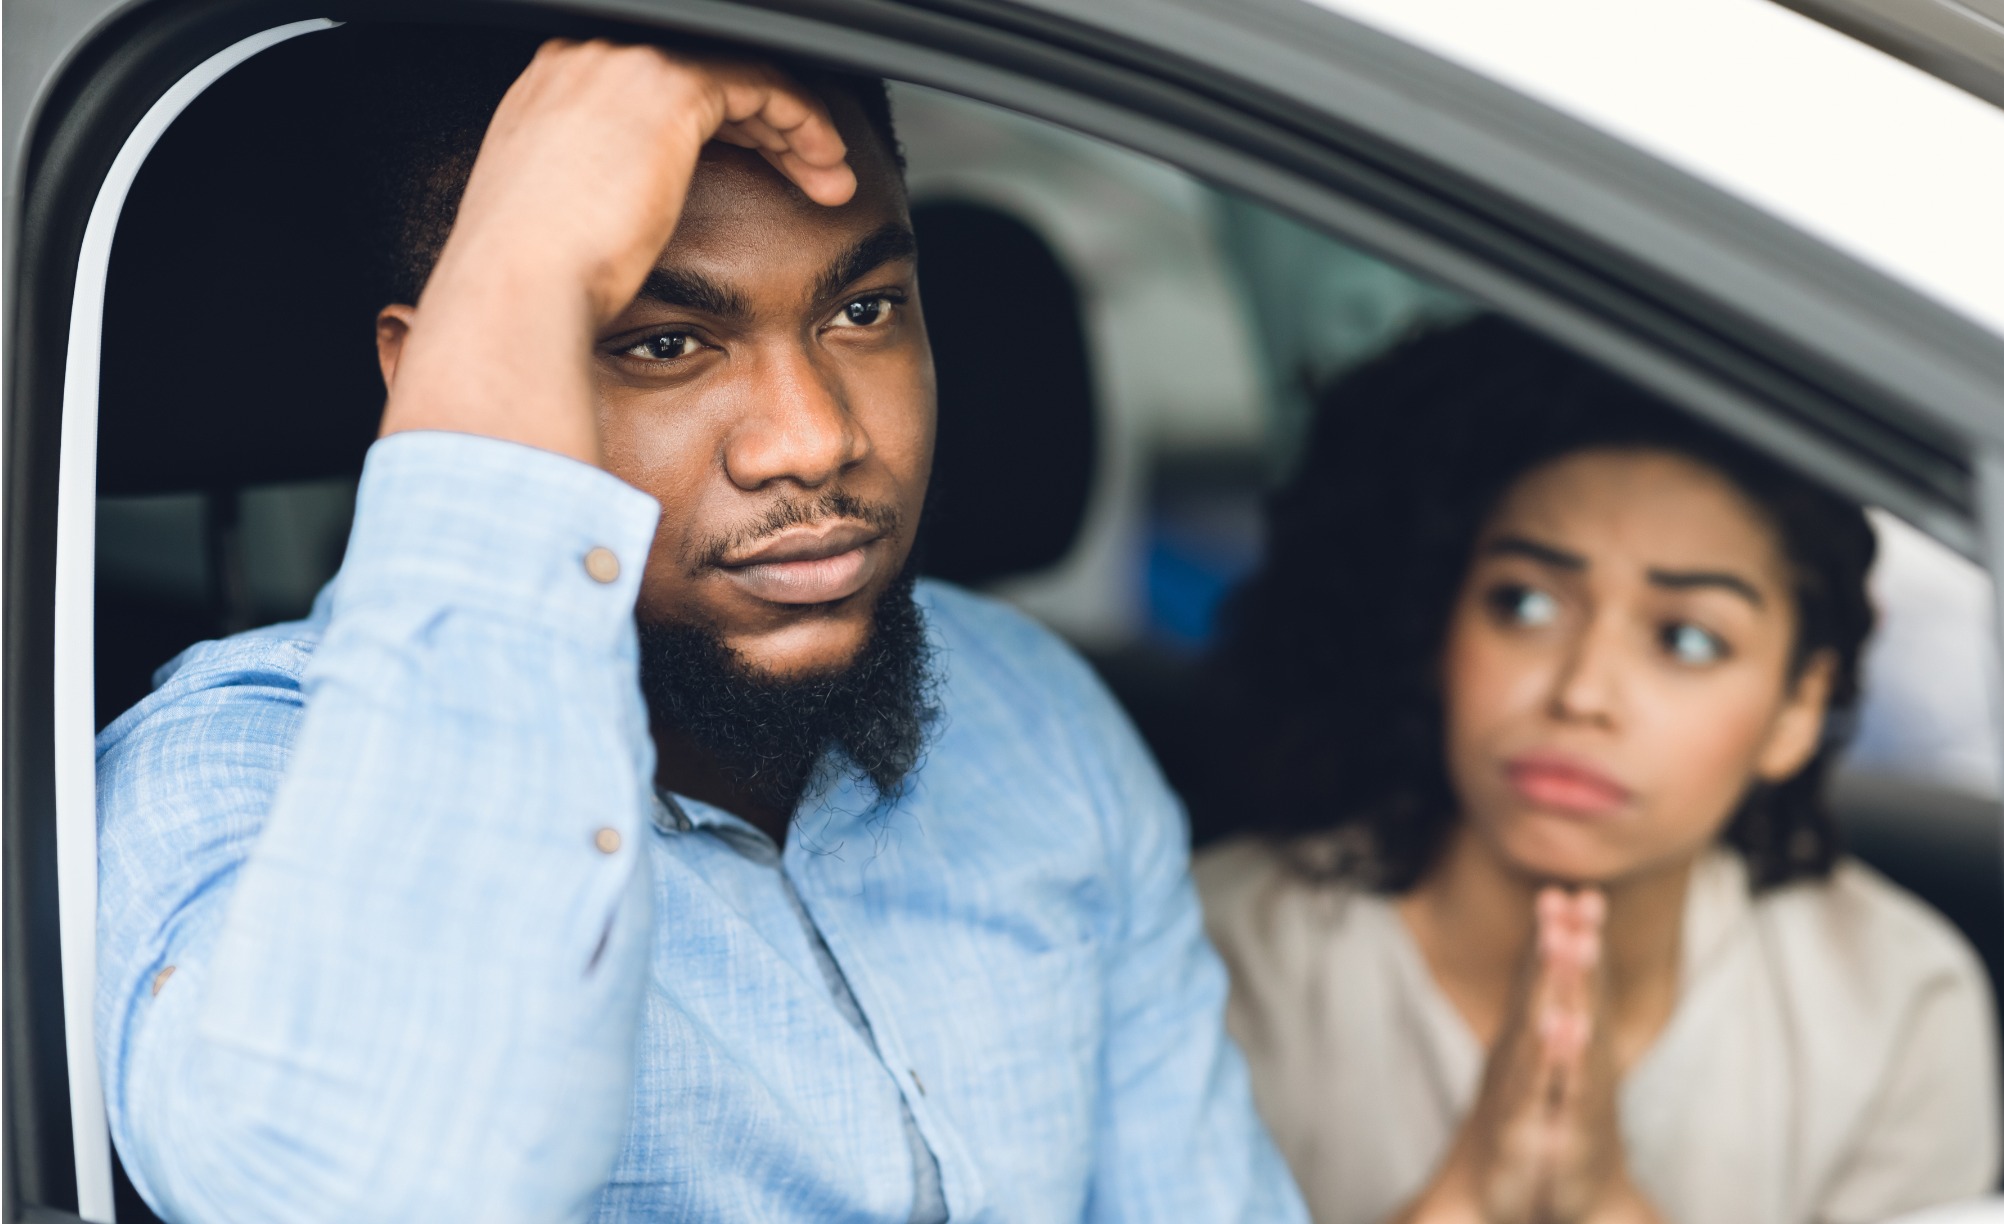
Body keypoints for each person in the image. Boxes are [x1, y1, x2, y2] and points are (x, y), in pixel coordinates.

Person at [94, 29, 1304, 1222]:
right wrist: (522, 272)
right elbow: (379, 1187)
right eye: (663, 343)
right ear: (444, 372)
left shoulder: (1031, 712)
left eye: (865, 310)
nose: (815, 438)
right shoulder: (218, 785)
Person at [1193, 319, 2003, 1224]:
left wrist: (1611, 1208)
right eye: (1525, 604)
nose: (1583, 692)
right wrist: (1463, 1204)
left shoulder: (1895, 1004)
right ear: (1439, 634)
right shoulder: (1222, 951)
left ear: (1798, 709)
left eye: (1686, 640)